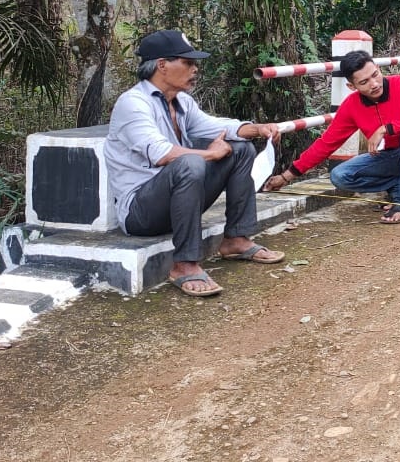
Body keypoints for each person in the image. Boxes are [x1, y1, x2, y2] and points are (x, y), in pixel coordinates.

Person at [105, 29, 285, 298]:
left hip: (177, 203)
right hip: (141, 213)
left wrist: (257, 129)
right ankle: (185, 265)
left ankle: (236, 239)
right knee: (190, 163)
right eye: (187, 63)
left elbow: (217, 127)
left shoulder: (182, 102)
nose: (195, 69)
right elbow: (162, 153)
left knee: (240, 149)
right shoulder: (133, 103)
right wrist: (211, 155)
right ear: (162, 65)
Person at [263, 50, 400, 224]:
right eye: (364, 82)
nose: (374, 84)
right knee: (340, 176)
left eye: (375, 74)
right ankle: (399, 186)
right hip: (390, 156)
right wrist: (286, 176)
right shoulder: (351, 106)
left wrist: (385, 129)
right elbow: (326, 144)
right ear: (352, 86)